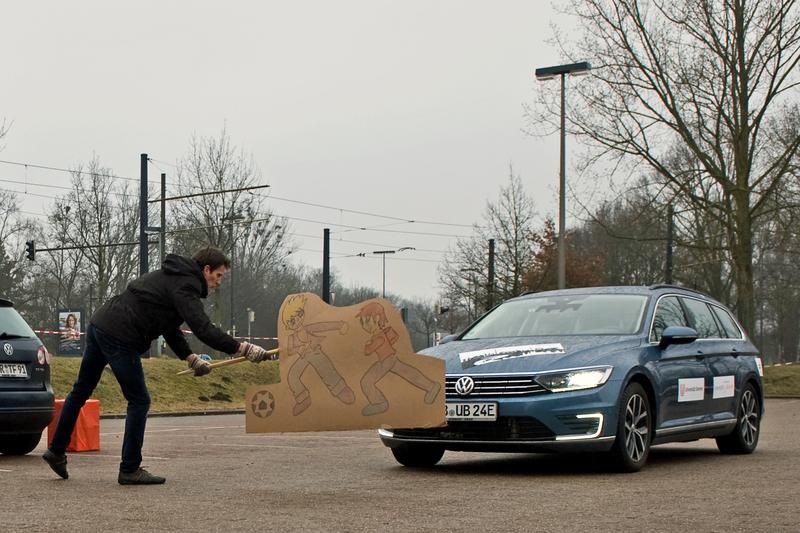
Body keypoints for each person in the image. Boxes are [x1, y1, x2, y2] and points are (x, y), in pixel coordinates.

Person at [42, 246, 274, 485]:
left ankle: (56, 451)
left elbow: (167, 325)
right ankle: (130, 469)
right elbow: (202, 328)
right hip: (121, 335)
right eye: (219, 275)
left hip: (100, 324)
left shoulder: (173, 276)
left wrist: (190, 358)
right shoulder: (187, 284)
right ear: (206, 269)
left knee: (80, 391)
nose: (219, 282)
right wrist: (242, 348)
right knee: (139, 400)